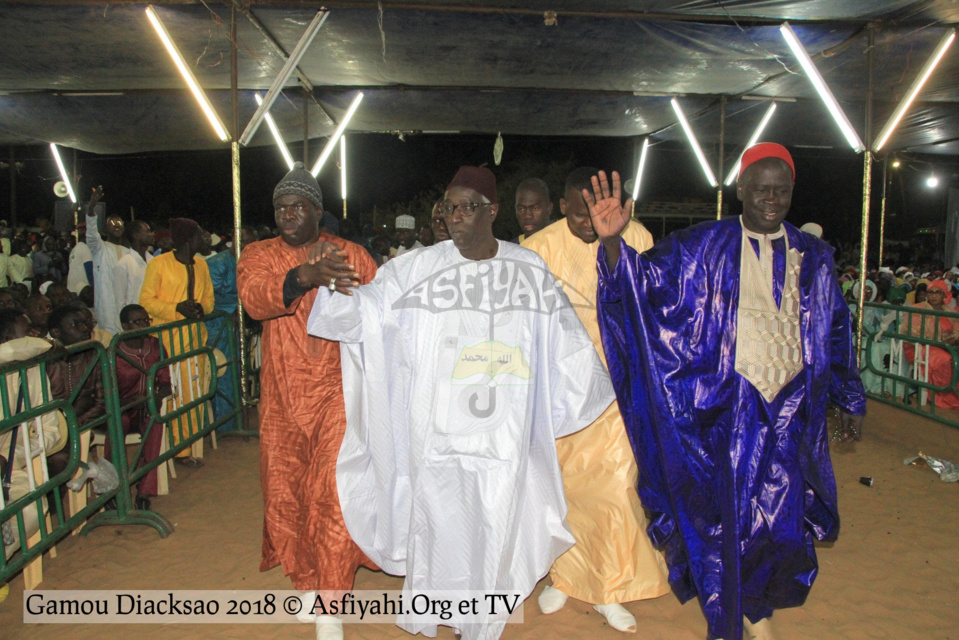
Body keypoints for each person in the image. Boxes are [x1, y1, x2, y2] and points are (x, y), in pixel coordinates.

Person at [306, 165, 615, 640]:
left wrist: (579, 391)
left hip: (501, 438)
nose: (454, 217)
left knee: (493, 524)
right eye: (448, 207)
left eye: (467, 207)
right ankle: (433, 611)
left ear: (492, 211)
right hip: (438, 435)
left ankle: (481, 624)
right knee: (440, 524)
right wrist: (332, 285)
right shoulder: (415, 268)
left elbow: (565, 345)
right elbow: (365, 314)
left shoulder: (528, 270)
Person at [587, 143, 866, 640]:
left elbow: (835, 329)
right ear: (741, 189)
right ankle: (739, 619)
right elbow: (644, 284)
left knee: (779, 523)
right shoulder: (703, 246)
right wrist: (613, 244)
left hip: (791, 415)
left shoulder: (815, 255)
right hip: (724, 415)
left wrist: (848, 396)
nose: (771, 200)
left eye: (781, 191)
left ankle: (755, 609)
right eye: (761, 189)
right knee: (724, 521)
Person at [522, 167, 669, 632]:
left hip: (620, 387)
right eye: (580, 207)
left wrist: (613, 242)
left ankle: (608, 586)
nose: (591, 216)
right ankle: (564, 578)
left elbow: (652, 305)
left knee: (613, 488)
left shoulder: (637, 236)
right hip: (559, 391)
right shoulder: (536, 249)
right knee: (562, 489)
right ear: (562, 205)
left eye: (600, 206)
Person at [236, 162, 378, 640]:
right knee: (284, 492)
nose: (288, 214)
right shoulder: (257, 254)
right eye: (280, 207)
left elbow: (381, 316)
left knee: (332, 490)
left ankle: (331, 601)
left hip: (338, 394)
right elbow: (255, 299)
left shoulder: (354, 255)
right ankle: (304, 578)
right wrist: (304, 276)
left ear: (318, 211)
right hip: (280, 399)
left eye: (298, 206)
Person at [139, 217, 214, 465]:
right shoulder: (159, 264)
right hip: (167, 342)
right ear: (188, 240)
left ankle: (188, 445)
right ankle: (177, 450)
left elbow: (209, 300)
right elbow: (146, 302)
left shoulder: (202, 266)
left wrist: (201, 309)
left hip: (195, 341)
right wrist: (176, 308)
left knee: (194, 393)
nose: (205, 239)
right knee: (175, 395)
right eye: (200, 235)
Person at [107, 304, 172, 511]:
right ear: (125, 325)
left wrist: (154, 399)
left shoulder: (154, 345)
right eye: (137, 321)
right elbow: (107, 391)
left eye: (146, 320)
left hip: (147, 406)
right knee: (118, 423)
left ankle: (144, 492)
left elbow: (166, 382)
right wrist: (130, 403)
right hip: (122, 407)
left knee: (155, 423)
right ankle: (112, 489)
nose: (144, 325)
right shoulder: (114, 351)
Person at [205, 227, 255, 433]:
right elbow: (209, 297)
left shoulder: (249, 263)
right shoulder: (218, 263)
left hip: (233, 326)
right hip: (217, 326)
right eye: (241, 240)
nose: (244, 245)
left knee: (233, 371)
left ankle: (229, 421)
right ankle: (220, 424)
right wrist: (235, 308)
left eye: (249, 242)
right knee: (220, 371)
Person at [903, 279, 959, 409]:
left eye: (937, 292)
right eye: (931, 292)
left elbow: (957, 330)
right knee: (945, 359)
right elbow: (913, 332)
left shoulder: (950, 312)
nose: (933, 296)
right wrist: (939, 341)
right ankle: (942, 396)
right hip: (921, 347)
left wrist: (953, 338)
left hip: (946, 346)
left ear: (944, 294)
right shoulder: (918, 309)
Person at [85, 188, 129, 334]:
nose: (117, 225)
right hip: (107, 308)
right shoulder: (100, 249)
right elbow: (91, 231)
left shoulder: (129, 253)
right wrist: (91, 206)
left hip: (126, 307)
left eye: (119, 222)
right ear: (104, 230)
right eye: (112, 223)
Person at [113, 220, 155, 311]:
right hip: (136, 319)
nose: (152, 234)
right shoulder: (124, 264)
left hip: (154, 315)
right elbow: (120, 301)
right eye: (147, 231)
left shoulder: (153, 260)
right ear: (136, 236)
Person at [512, 177, 552, 243]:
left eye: (535, 208)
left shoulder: (564, 244)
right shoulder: (511, 250)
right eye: (521, 209)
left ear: (549, 208)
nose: (527, 216)